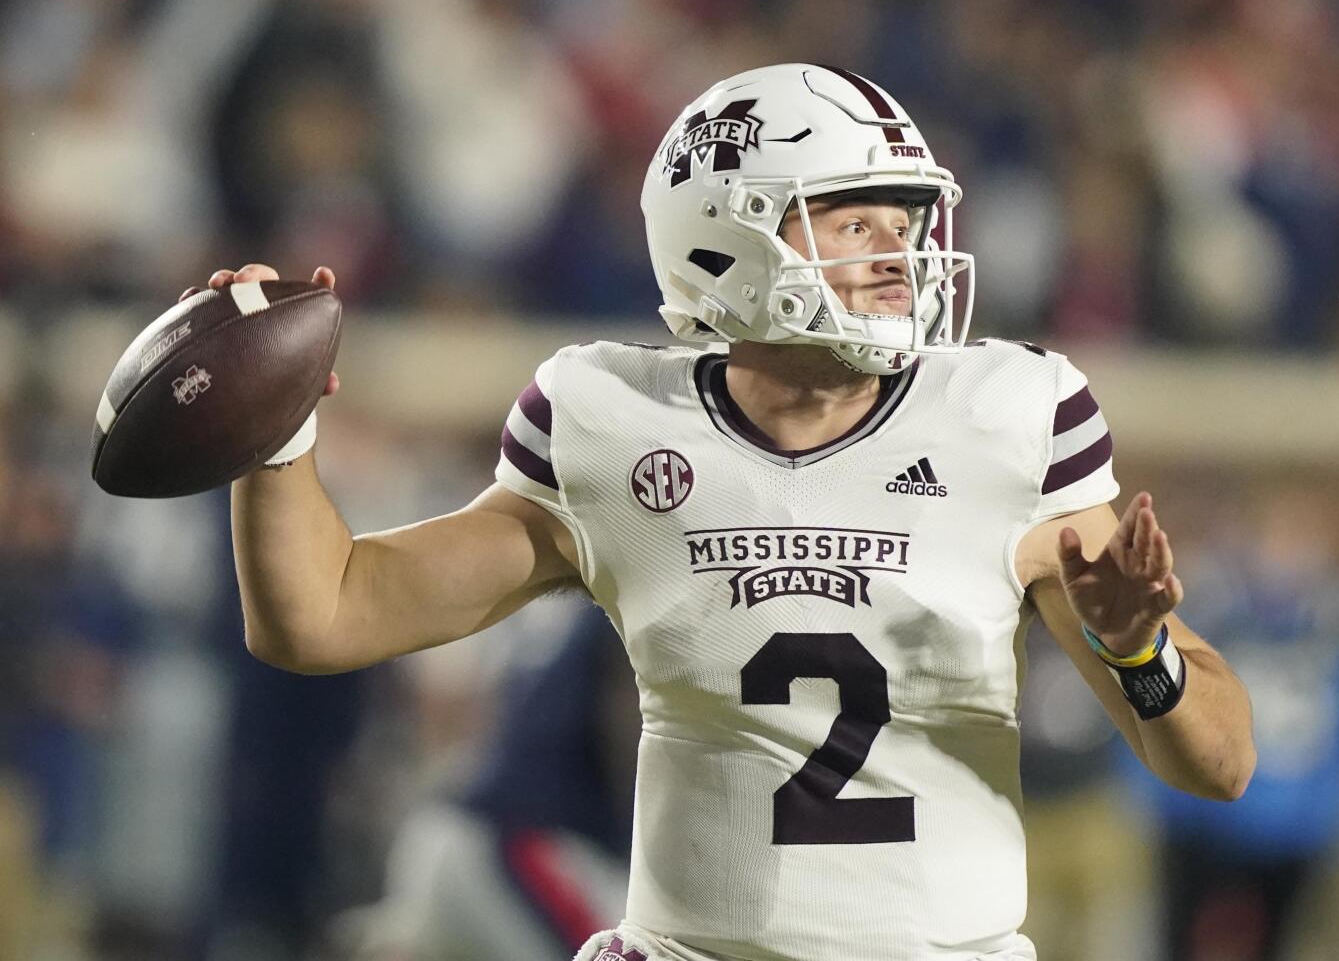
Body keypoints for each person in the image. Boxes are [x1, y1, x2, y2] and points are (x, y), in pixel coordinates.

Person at [202, 64, 1255, 961]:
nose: (900, 256)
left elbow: (1220, 763)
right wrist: (271, 435)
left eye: (908, 221)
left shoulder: (1007, 416)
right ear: (724, 239)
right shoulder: (612, 420)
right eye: (855, 222)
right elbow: (322, 615)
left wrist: (1137, 653)